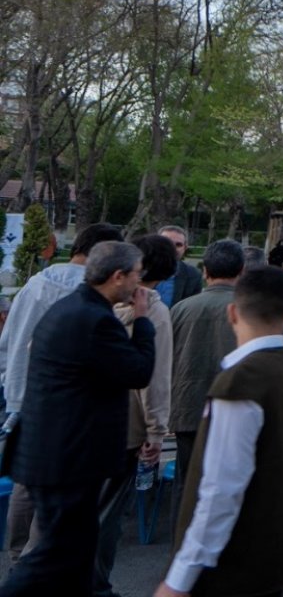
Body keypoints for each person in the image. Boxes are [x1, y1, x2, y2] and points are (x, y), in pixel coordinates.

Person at [0, 242, 156, 596]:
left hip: (54, 452)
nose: (140, 284)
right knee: (54, 552)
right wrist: (143, 321)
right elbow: (138, 371)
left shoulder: (69, 309)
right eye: (136, 275)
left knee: (76, 547)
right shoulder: (96, 320)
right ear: (118, 277)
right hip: (67, 458)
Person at [157, 266, 283, 597]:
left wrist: (179, 578)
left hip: (231, 567)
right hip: (274, 556)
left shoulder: (242, 382)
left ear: (233, 312)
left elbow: (221, 488)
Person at [0, 223, 123, 561]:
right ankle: (35, 564)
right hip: (68, 404)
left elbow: (8, 341)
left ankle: (16, 556)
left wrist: (11, 386)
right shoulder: (93, 295)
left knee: (26, 484)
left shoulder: (35, 285)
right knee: (56, 490)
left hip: (23, 394)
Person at [97, 235, 178, 597]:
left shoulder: (93, 305)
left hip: (82, 422)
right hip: (125, 429)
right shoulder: (154, 312)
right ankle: (96, 585)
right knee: (106, 516)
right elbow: (154, 379)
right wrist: (156, 432)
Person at [169, 240, 245, 514]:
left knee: (188, 481)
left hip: (188, 407)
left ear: (204, 271)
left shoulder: (180, 310)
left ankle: (183, 541)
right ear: (242, 270)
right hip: (235, 408)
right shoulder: (251, 310)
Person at [157, 225, 204, 307]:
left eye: (178, 245)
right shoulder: (140, 270)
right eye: (167, 243)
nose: (172, 248)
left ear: (185, 248)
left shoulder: (193, 275)